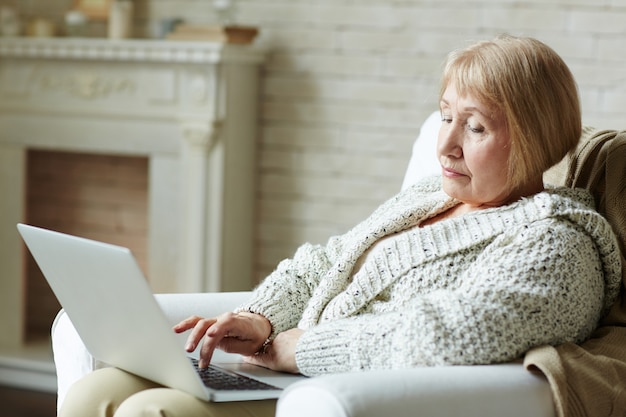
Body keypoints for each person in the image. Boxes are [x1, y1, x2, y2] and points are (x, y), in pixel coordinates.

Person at [59, 34, 622, 417]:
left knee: (148, 411)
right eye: (446, 114)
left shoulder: (556, 243)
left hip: (344, 395)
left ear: (533, 138)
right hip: (285, 373)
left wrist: (303, 351)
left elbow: (454, 335)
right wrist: (261, 317)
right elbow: (325, 262)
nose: (445, 143)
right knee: (95, 393)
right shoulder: (428, 196)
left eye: (473, 127)